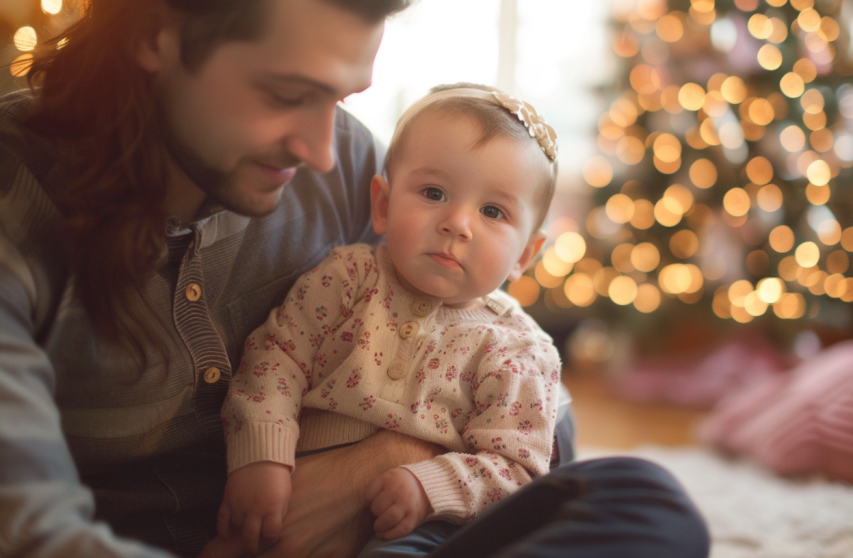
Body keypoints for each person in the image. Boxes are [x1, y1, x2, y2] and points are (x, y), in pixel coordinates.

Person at [0, 0, 711, 556]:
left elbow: (511, 395)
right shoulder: (14, 213)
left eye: (338, 99)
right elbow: (33, 534)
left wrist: (385, 467)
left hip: (387, 528)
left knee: (645, 502)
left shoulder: (338, 159)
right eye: (286, 93)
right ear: (155, 34)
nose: (320, 151)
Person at [218, 84, 561, 555]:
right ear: (382, 205)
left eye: (492, 211)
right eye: (434, 192)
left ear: (525, 253)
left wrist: (432, 485)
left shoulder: (520, 348)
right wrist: (262, 456)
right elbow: (276, 359)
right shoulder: (348, 277)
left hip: (424, 528)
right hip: (289, 496)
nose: (457, 223)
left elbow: (517, 467)